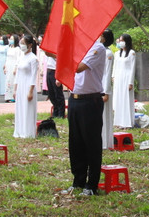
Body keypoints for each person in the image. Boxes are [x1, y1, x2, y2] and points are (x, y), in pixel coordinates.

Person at [61, 38, 107, 196]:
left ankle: (91, 185)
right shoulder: (77, 46)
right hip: (74, 99)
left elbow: (79, 67)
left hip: (91, 100)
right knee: (75, 142)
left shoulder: (98, 48)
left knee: (91, 143)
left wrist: (59, 57)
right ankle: (78, 181)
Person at [12, 35, 40, 139]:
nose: (21, 45)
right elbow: (18, 74)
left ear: (30, 45)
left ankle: (28, 132)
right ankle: (19, 131)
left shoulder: (33, 58)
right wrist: (15, 89)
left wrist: (30, 91)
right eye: (21, 43)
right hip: (20, 85)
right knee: (20, 108)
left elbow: (33, 76)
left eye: (23, 43)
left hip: (28, 85)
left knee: (28, 109)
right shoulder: (21, 56)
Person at [112, 33, 137, 129]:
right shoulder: (117, 53)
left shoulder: (131, 53)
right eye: (120, 40)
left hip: (127, 77)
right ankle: (118, 121)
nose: (120, 42)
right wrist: (113, 76)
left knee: (126, 99)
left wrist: (130, 82)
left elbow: (132, 68)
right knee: (118, 99)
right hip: (118, 77)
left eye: (122, 40)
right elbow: (115, 66)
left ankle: (127, 122)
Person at [100, 30, 116, 149]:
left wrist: (105, 92)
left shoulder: (108, 54)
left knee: (104, 116)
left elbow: (107, 73)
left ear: (105, 39)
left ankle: (105, 142)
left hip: (103, 89)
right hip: (97, 87)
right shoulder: (100, 51)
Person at [44, 52, 66, 119]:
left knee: (58, 93)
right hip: (49, 70)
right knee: (51, 94)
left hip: (56, 70)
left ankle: (61, 113)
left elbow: (62, 58)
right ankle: (55, 111)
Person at [4, 35, 21, 103]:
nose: (10, 40)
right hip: (8, 65)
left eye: (12, 39)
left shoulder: (17, 49)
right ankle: (8, 96)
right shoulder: (9, 48)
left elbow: (18, 59)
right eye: (10, 39)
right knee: (8, 80)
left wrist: (16, 68)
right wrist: (5, 66)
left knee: (13, 80)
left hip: (14, 65)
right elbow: (7, 58)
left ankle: (13, 96)